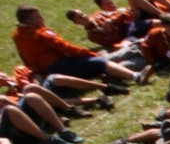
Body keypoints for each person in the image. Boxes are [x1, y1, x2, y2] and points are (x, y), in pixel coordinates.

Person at [12, 6, 152, 86]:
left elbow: (25, 57)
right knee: (102, 61)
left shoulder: (17, 35)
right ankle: (136, 76)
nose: (42, 18)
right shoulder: (41, 33)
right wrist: (89, 53)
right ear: (30, 19)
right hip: (60, 64)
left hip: (47, 69)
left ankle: (128, 63)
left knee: (105, 59)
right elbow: (66, 47)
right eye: (38, 16)